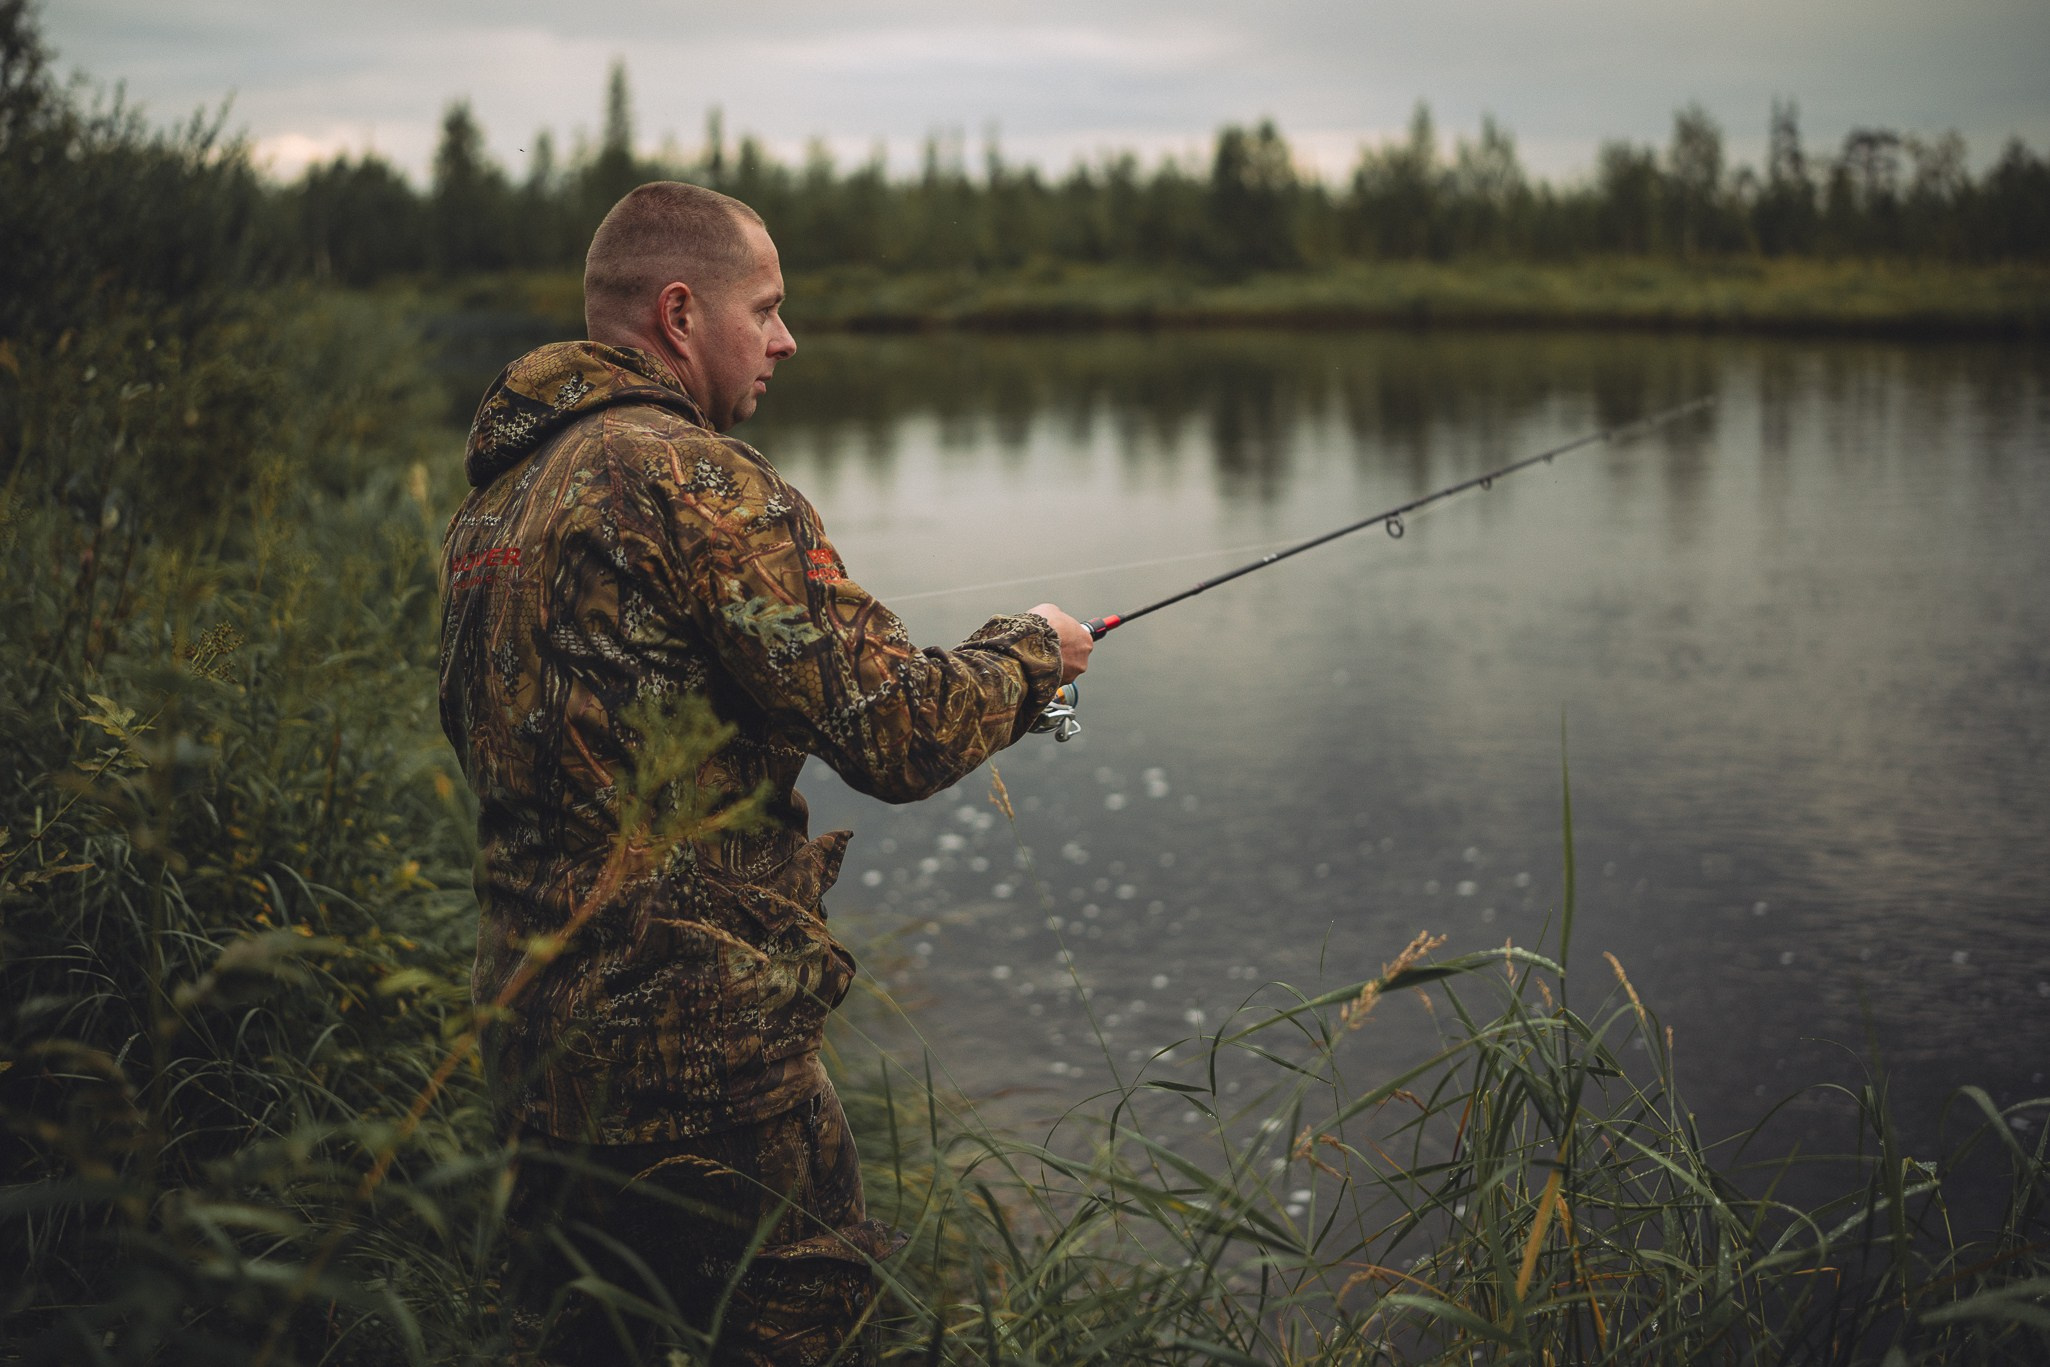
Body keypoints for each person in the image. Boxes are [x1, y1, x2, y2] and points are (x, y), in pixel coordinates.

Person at [437, 181, 1093, 1365]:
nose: (787, 338)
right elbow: (900, 729)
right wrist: (1034, 648)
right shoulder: (691, 477)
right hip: (702, 1068)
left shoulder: (498, 502)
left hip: (533, 1056)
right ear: (681, 313)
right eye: (769, 307)